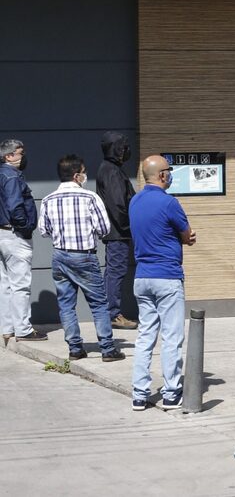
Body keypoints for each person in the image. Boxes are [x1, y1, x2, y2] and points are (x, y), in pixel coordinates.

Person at [38, 155, 125, 362]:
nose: (86, 175)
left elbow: (44, 230)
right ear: (77, 175)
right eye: (84, 172)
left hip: (60, 255)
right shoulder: (90, 198)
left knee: (66, 303)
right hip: (84, 255)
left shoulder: (48, 200)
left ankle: (75, 348)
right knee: (98, 303)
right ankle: (107, 348)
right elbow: (104, 228)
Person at [129, 155, 196, 412]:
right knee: (171, 337)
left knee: (145, 336)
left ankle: (139, 393)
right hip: (167, 276)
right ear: (163, 175)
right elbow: (186, 234)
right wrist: (188, 239)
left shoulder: (135, 201)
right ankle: (170, 393)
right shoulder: (169, 203)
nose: (171, 175)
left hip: (142, 277)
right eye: (169, 171)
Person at [0, 138, 46, 344]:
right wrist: (25, 228)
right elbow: (15, 206)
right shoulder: (11, 176)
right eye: (20, 153)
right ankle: (23, 329)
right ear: (8, 156)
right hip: (13, 235)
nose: (23, 156)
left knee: (5, 285)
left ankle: (7, 328)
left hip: (3, 234)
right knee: (20, 284)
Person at [96, 131, 139, 329]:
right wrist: (129, 227)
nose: (126, 151)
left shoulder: (110, 169)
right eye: (124, 147)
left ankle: (110, 313)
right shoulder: (111, 171)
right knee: (116, 271)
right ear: (117, 149)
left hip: (116, 231)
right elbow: (118, 205)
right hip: (118, 233)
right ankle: (113, 314)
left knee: (113, 272)